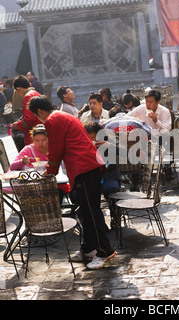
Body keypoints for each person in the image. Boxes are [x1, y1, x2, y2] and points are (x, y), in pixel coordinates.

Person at [28, 95, 116, 270]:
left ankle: (105, 250)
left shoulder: (53, 120)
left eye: (36, 116)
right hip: (85, 166)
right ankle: (89, 248)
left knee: (90, 211)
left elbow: (56, 148)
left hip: (84, 166)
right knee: (85, 210)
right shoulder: (62, 116)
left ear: (40, 111)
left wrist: (50, 172)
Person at [9, 124, 70, 203]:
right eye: (37, 141)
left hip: (56, 182)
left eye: (43, 140)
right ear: (33, 140)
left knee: (56, 192)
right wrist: (22, 162)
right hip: (33, 185)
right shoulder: (29, 149)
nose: (40, 143)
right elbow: (12, 166)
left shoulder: (54, 148)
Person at [84, 121, 122, 228]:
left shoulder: (109, 143)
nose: (94, 141)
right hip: (91, 178)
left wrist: (109, 145)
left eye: (96, 138)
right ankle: (97, 222)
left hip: (108, 176)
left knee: (110, 188)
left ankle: (115, 216)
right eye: (90, 139)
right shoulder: (83, 145)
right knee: (83, 193)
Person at [11, 75, 42, 147]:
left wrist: (17, 125)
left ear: (18, 89)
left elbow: (30, 120)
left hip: (35, 132)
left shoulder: (27, 96)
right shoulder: (35, 93)